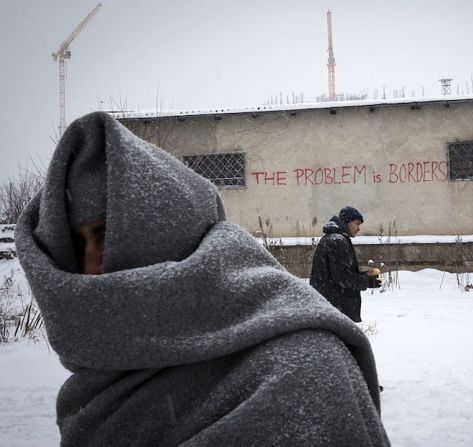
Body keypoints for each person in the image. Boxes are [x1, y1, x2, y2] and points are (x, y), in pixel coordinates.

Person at [16, 112, 390, 447]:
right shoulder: (100, 385)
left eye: (106, 235)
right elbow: (340, 276)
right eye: (77, 245)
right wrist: (366, 283)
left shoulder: (299, 367)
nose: (91, 263)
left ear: (168, 227)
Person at [310, 206, 381, 323]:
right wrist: (366, 281)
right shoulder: (337, 241)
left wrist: (365, 276)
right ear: (347, 221)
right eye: (357, 224)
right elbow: (342, 277)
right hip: (336, 308)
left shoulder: (333, 238)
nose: (358, 228)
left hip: (330, 305)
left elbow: (339, 273)